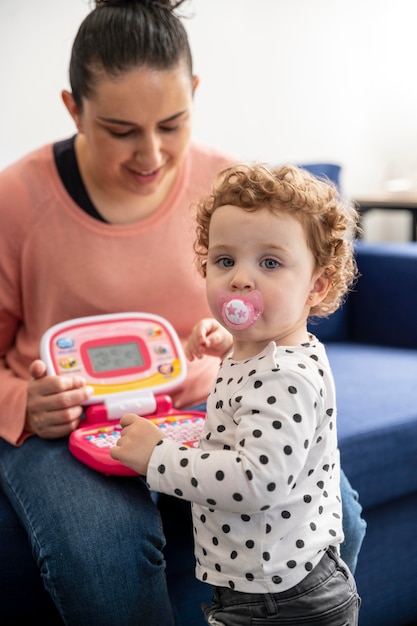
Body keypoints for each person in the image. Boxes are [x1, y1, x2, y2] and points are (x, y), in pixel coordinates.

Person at [0, 1, 364, 624]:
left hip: (202, 405)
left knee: (340, 521)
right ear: (73, 109)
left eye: (173, 124)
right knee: (105, 551)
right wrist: (19, 403)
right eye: (120, 130)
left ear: (194, 94)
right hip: (65, 426)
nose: (151, 154)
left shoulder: (228, 190)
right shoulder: (16, 199)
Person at [110, 163, 361, 625]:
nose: (240, 279)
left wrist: (157, 458)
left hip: (278, 600)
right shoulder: (279, 351)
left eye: (269, 263)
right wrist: (230, 345)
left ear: (317, 285)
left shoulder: (286, 378)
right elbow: (261, 377)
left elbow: (256, 481)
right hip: (281, 581)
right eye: (225, 261)